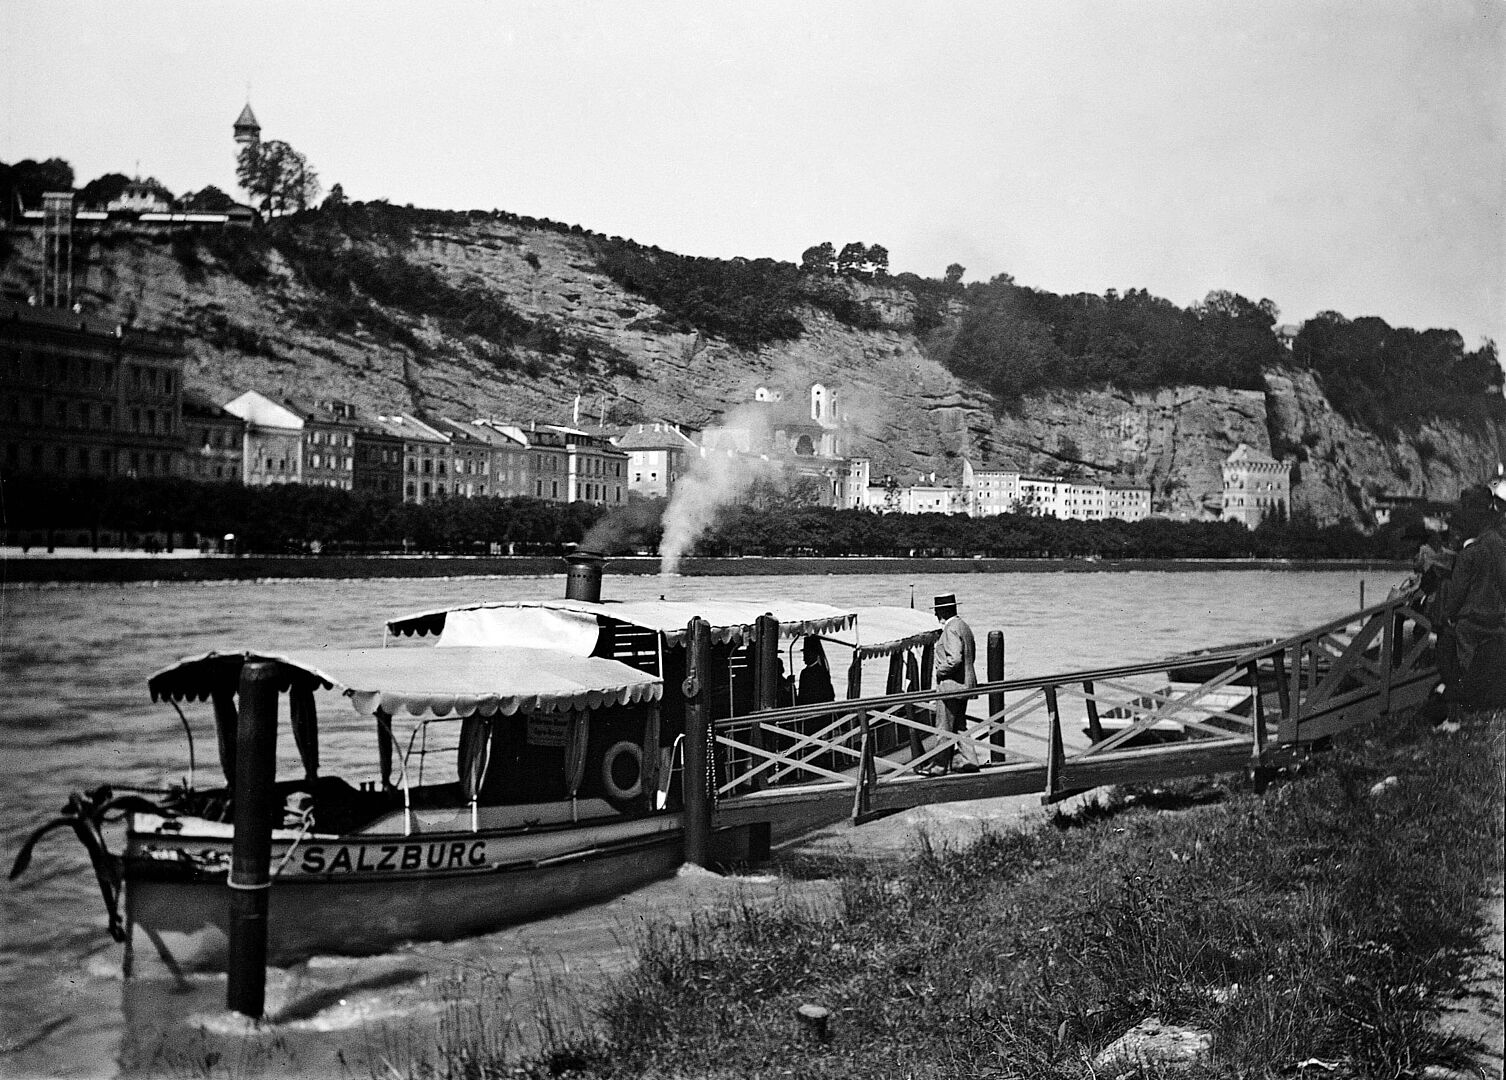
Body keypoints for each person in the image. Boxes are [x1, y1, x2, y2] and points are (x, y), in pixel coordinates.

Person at [1439, 477, 1506, 714]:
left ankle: (1460, 699)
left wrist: (1447, 615)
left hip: (1472, 624)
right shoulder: (1498, 544)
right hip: (1496, 621)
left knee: (1449, 641)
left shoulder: (1472, 553)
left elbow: (1455, 599)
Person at [928, 593, 980, 774]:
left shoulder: (950, 629)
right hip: (965, 685)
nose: (936, 615)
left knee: (944, 727)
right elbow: (969, 656)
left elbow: (955, 659)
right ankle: (970, 760)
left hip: (950, 686)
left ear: (941, 611)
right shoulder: (964, 626)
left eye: (937, 611)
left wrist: (939, 671)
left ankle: (939, 766)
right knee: (959, 726)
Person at [795, 636, 835, 705]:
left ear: (814, 654)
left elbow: (828, 694)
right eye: (804, 654)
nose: (804, 657)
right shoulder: (805, 672)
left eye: (807, 654)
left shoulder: (821, 672)